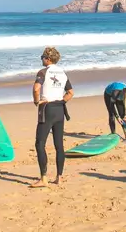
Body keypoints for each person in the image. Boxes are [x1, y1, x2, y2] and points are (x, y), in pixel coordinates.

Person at [31, 46, 73, 188]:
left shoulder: (43, 72)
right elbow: (70, 92)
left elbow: (36, 89)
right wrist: (62, 101)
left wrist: (37, 101)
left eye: (42, 57)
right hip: (60, 109)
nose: (41, 60)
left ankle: (43, 178)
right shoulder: (62, 73)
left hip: (47, 109)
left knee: (40, 143)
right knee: (59, 145)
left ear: (47, 59)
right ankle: (59, 177)